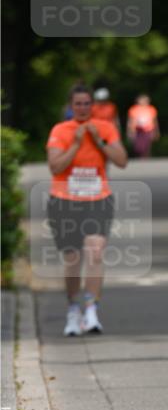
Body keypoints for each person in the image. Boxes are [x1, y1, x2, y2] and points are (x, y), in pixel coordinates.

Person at [46, 83, 128, 336]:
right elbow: (55, 167)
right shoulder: (61, 130)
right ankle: (73, 308)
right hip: (65, 200)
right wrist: (76, 143)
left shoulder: (105, 128)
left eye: (86, 103)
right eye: (78, 104)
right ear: (71, 107)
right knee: (72, 259)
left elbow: (122, 161)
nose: (82, 108)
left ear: (93, 106)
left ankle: (91, 309)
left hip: (97, 198)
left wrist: (99, 142)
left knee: (95, 251)